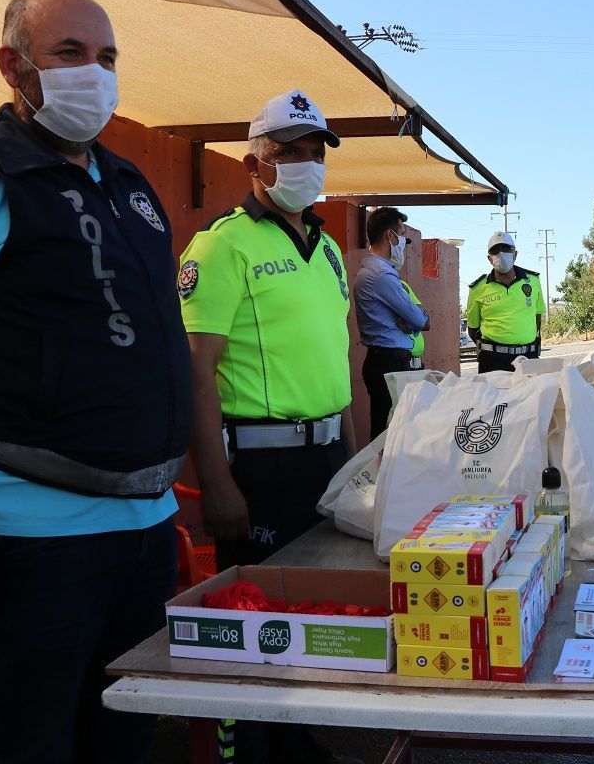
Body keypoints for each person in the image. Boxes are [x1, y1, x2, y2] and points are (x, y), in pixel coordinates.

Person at [0, 0, 189, 763]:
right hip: (32, 541)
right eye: (70, 54)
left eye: (108, 58)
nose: (96, 73)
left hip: (147, 526)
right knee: (33, 744)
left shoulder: (128, 186)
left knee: (125, 736)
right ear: (12, 66)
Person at [178, 90, 358, 764]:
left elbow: (344, 358)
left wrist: (361, 458)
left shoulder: (328, 248)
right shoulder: (222, 245)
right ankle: (250, 746)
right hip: (259, 468)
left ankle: (293, 741)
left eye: (315, 153)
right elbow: (197, 373)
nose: (306, 165)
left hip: (327, 457)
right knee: (259, 621)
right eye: (289, 154)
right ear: (254, 164)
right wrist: (215, 483)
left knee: (312, 610)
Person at [353, 206, 429, 439]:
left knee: (388, 429)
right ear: (390, 236)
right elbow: (419, 319)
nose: (403, 244)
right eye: (402, 236)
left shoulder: (376, 272)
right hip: (389, 361)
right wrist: (413, 316)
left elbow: (415, 319)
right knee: (393, 434)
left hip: (383, 359)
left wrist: (411, 317)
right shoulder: (381, 275)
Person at [465, 230, 544, 373]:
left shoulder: (533, 281)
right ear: (489, 258)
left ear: (515, 254)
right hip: (492, 361)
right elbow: (473, 329)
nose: (501, 254)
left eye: (506, 249)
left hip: (528, 358)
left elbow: (537, 318)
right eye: (495, 251)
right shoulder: (477, 289)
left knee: (530, 396)